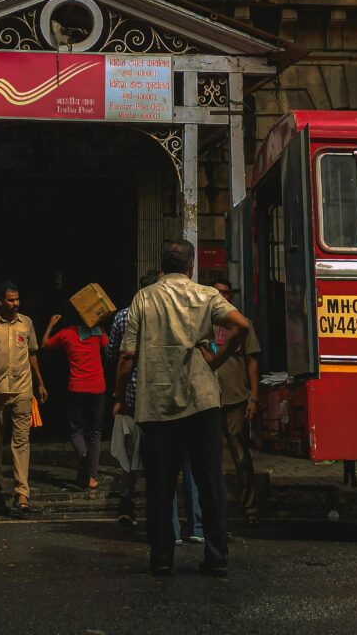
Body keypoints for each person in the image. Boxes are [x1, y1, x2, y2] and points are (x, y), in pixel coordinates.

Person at [115, 239, 249, 577]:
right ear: (190, 267)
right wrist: (217, 361)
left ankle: (161, 558)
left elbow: (127, 357)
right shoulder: (205, 294)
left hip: (157, 404)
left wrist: (121, 397)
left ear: (163, 265)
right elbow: (241, 325)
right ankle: (217, 558)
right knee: (210, 482)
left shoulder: (143, 298)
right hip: (202, 401)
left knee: (161, 485)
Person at [0, 281, 47, 512]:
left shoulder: (26, 323)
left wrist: (40, 382)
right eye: (11, 300)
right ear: (0, 301)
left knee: (21, 442)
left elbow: (32, 354)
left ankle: (22, 492)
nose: (16, 304)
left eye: (17, 300)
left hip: (22, 390)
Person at [106, 269, 160, 526]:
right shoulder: (164, 315)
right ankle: (156, 508)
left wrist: (118, 395)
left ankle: (126, 503)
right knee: (157, 457)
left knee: (128, 458)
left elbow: (114, 354)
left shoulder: (123, 316)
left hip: (129, 398)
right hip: (159, 398)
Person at [42, 303, 108, 491]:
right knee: (95, 433)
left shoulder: (66, 334)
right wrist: (101, 326)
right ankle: (92, 476)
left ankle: (84, 459)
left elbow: (44, 344)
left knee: (76, 430)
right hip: (97, 388)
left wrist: (50, 324)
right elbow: (109, 348)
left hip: (76, 388)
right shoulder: (96, 332)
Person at [213, 280, 261, 522]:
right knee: (211, 455)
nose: (222, 296)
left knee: (240, 455)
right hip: (209, 399)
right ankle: (215, 507)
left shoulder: (242, 323)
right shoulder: (204, 323)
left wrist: (254, 397)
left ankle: (250, 507)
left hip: (236, 397)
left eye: (226, 293)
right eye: (217, 293)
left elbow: (252, 362)